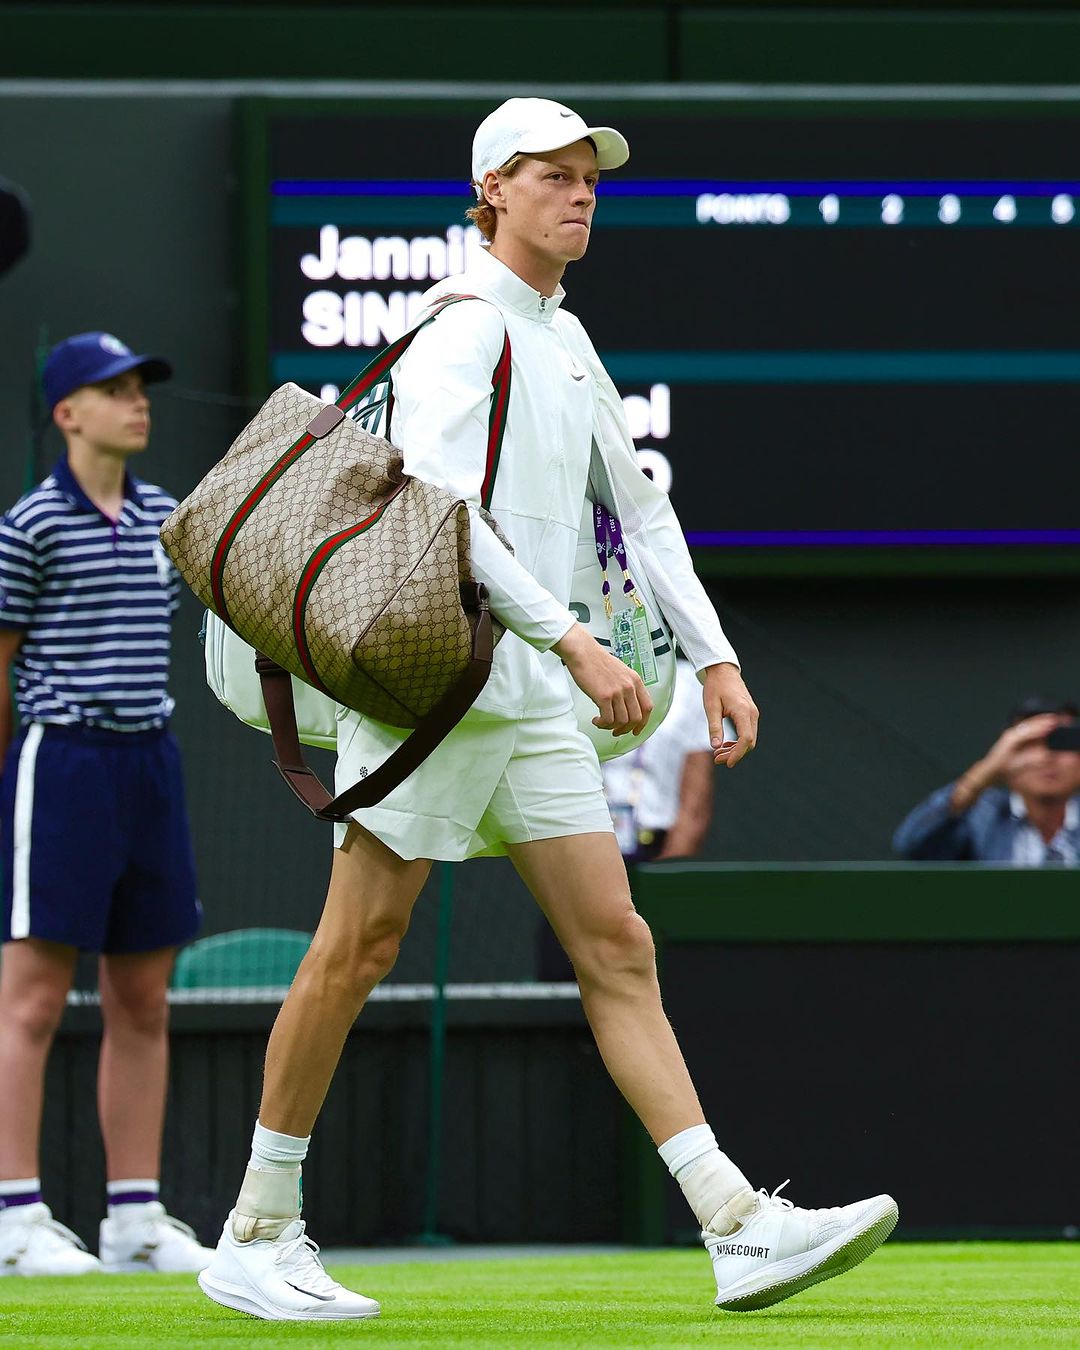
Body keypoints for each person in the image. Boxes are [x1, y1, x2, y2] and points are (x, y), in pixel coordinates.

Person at [197, 97, 897, 1322]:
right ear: (492, 195)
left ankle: (734, 1222)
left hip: (518, 697)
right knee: (357, 949)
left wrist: (714, 657)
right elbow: (444, 510)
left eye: (588, 178)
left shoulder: (563, 337)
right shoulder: (463, 329)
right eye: (552, 177)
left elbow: (643, 509)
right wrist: (574, 640)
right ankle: (258, 1227)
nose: (579, 195)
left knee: (617, 945)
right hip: (438, 686)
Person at [0, 332, 212, 1275]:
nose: (138, 403)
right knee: (33, 1002)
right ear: (66, 413)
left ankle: (133, 1220)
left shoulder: (169, 517)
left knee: (143, 1000)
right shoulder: (28, 527)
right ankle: (13, 1219)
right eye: (112, 390)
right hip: (63, 765)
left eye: (141, 387)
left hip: (149, 766)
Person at [893, 697, 1080, 863]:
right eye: (1027, 744)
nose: (1044, 757)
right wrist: (988, 767)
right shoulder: (983, 814)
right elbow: (912, 845)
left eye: (1061, 741)